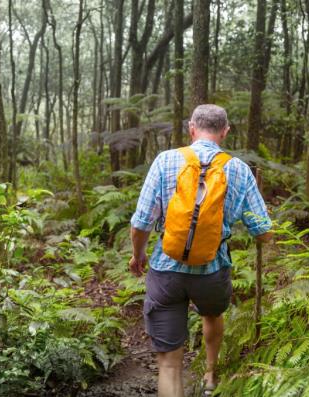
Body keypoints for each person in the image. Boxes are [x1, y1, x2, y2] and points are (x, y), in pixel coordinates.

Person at [129, 104, 272, 397]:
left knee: (169, 364)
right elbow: (263, 230)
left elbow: (142, 221)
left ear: (191, 128)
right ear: (225, 132)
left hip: (166, 269)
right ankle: (209, 375)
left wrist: (138, 254)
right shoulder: (239, 169)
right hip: (213, 269)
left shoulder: (165, 161)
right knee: (212, 314)